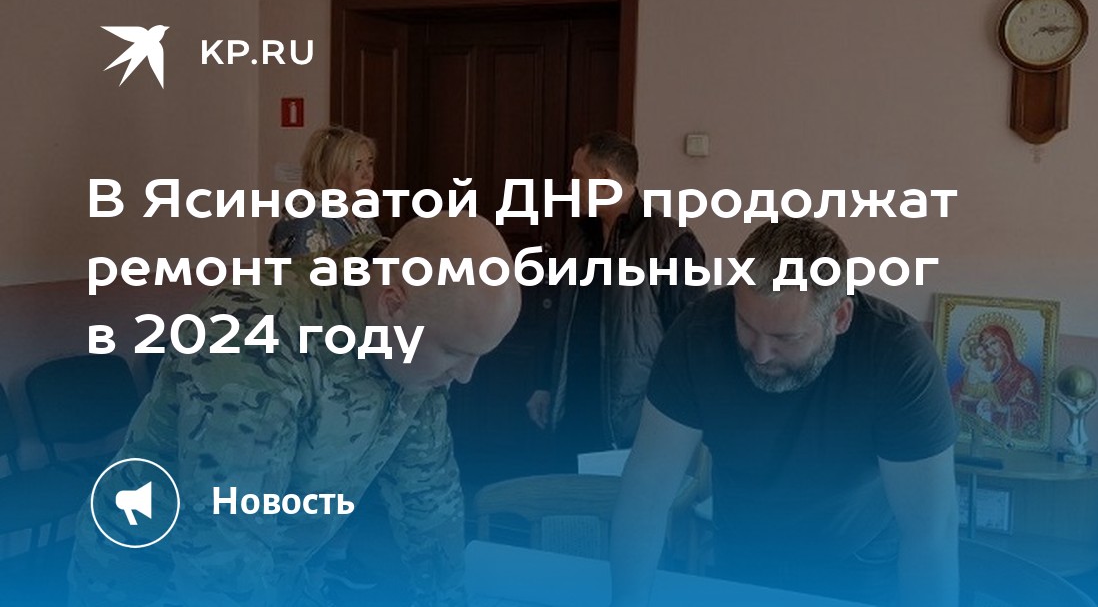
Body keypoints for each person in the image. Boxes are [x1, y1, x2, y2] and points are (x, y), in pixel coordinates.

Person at [69, 215, 520, 607]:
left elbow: (428, 494)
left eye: (478, 355)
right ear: (392, 305)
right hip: (149, 577)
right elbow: (225, 544)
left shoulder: (418, 336)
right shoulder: (254, 336)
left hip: (281, 568)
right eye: (454, 352)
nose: (465, 377)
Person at [610, 219, 960, 607]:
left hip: (857, 563)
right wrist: (628, 599)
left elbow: (931, 532)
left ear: (840, 318)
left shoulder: (897, 354)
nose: (760, 354)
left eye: (785, 338)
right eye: (746, 325)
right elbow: (646, 489)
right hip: (741, 554)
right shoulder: (697, 334)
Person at [525, 131, 706, 459]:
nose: (570, 187)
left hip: (633, 426)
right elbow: (560, 318)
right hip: (572, 410)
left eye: (577, 177)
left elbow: (688, 344)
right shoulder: (580, 237)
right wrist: (543, 384)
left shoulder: (673, 243)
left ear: (604, 179)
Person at [268, 125, 380, 257]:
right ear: (330, 171)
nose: (367, 174)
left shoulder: (363, 215)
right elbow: (299, 269)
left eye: (370, 164)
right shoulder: (305, 220)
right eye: (357, 167)